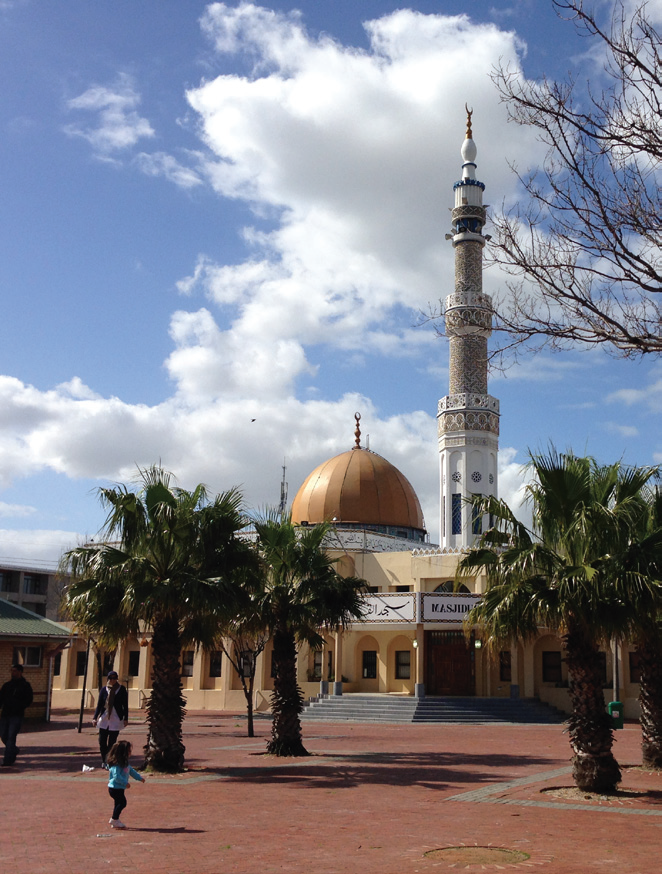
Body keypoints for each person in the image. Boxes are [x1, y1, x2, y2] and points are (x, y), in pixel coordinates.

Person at [106, 739, 146, 829]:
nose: (130, 753)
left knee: (118, 803)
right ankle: (114, 819)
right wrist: (125, 783)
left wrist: (139, 778)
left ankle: (115, 819)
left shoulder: (125, 763)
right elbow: (116, 776)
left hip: (120, 788)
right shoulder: (116, 765)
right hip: (114, 788)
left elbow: (131, 771)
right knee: (122, 803)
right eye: (128, 751)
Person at [93, 670, 129, 768]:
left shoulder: (121, 689)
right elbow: (99, 704)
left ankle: (108, 761)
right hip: (104, 718)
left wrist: (126, 718)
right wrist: (95, 717)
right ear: (108, 679)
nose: (112, 680)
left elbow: (125, 705)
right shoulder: (104, 689)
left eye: (114, 678)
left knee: (112, 742)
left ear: (117, 679)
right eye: (110, 678)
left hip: (116, 719)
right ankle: (104, 760)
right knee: (102, 741)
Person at [0, 663, 34, 766]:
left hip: (16, 715)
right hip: (5, 714)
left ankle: (8, 760)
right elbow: (1, 698)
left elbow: (29, 700)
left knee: (11, 736)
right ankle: (13, 750)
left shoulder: (25, 686)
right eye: (12, 671)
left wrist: (20, 706)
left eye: (15, 671)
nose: (13, 673)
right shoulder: (7, 686)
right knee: (3, 735)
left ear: (20, 672)